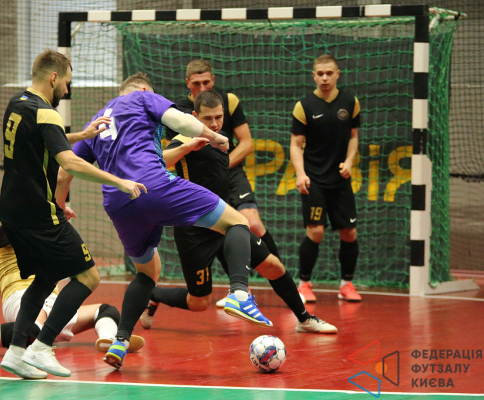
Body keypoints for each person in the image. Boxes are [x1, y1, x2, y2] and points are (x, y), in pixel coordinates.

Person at [57, 72, 271, 370]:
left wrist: (60, 208)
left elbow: (64, 172)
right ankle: (238, 293)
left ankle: (120, 341)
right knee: (237, 222)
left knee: (148, 272)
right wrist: (216, 137)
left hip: (119, 203)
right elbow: (182, 121)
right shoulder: (143, 98)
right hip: (154, 187)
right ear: (144, 89)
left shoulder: (97, 120)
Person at [0, 49, 146, 379]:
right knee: (88, 277)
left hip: (11, 212)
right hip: (39, 213)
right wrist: (119, 181)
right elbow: (70, 162)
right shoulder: (47, 112)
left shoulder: (17, 104)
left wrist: (83, 135)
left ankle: (17, 352)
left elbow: (42, 140)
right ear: (53, 77)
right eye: (66, 82)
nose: (66, 89)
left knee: (46, 277)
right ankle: (42, 346)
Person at [138, 90, 336, 334]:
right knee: (199, 302)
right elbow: (159, 162)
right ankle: (154, 294)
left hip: (223, 221)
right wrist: (188, 147)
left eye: (218, 117)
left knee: (273, 266)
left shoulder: (222, 138)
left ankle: (305, 319)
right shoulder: (184, 137)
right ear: (194, 116)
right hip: (194, 229)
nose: (214, 123)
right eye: (207, 118)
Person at [0, 227, 144, 360]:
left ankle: (108, 340)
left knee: (106, 311)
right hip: (22, 298)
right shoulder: (10, 240)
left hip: (52, 301)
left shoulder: (43, 235)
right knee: (31, 328)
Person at [165, 60, 281, 307]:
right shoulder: (178, 111)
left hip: (231, 169)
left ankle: (278, 279)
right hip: (201, 180)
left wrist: (223, 165)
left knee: (252, 223)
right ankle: (238, 291)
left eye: (206, 82)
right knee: (219, 228)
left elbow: (246, 143)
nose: (202, 87)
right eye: (196, 83)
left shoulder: (229, 101)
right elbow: (172, 153)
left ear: (213, 80)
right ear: (188, 84)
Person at [290, 54, 362, 303]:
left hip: (340, 180)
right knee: (316, 231)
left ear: (337, 74)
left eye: (329, 73)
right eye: (320, 74)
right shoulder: (304, 105)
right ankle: (304, 285)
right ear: (314, 76)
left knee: (349, 232)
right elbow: (295, 144)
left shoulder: (350, 102)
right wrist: (301, 174)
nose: (324, 78)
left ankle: (346, 284)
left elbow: (353, 136)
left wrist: (349, 161)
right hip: (314, 180)